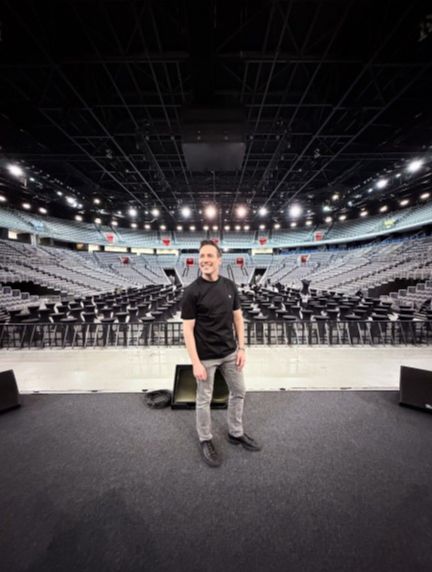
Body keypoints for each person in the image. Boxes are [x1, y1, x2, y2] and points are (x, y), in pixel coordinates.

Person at [181, 240, 261, 467]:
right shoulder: (191, 292)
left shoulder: (229, 286)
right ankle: (205, 439)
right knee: (203, 399)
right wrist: (195, 362)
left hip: (229, 353)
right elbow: (187, 330)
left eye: (209, 256)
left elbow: (238, 319)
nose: (205, 260)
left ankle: (235, 433)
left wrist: (242, 348)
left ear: (219, 260)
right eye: (202, 256)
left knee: (239, 391)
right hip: (205, 356)